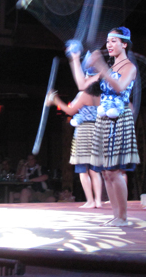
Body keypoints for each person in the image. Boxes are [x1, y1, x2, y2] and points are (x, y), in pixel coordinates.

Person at [87, 27, 140, 226]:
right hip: (104, 118)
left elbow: (119, 87)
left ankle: (123, 217)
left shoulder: (129, 67)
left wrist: (101, 66)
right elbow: (87, 86)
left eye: (113, 41)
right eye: (107, 41)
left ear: (124, 44)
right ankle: (115, 215)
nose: (108, 45)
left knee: (115, 170)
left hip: (119, 119)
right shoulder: (110, 67)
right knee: (105, 171)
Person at [46, 73, 103, 208]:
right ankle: (98, 201)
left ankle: (90, 200)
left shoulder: (84, 95)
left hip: (84, 132)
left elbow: (70, 111)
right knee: (95, 170)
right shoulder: (101, 95)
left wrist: (56, 101)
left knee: (83, 169)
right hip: (97, 131)